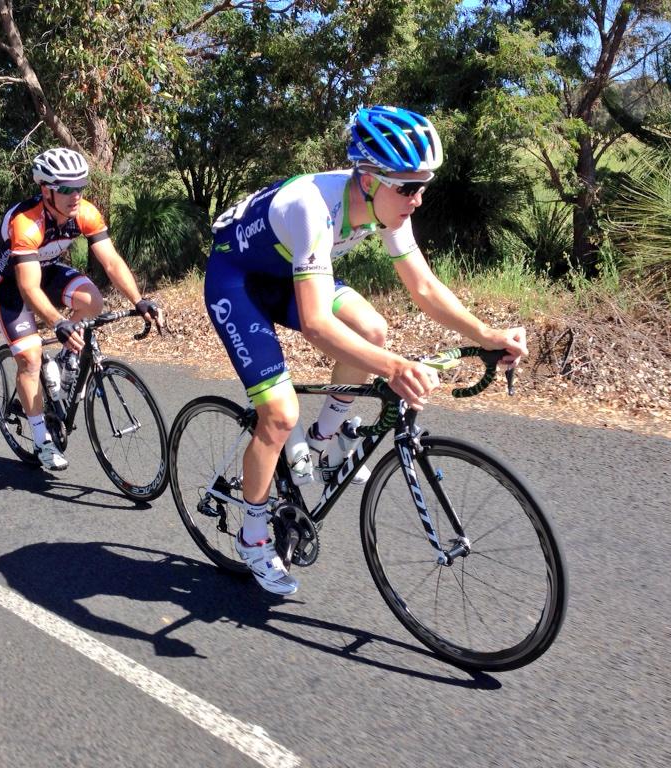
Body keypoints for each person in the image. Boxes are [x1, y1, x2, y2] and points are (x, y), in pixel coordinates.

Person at [204, 105, 529, 595]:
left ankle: (322, 443)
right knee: (279, 414)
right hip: (238, 281)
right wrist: (396, 368)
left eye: (424, 185)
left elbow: (423, 287)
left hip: (290, 274)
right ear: (370, 179)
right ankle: (252, 537)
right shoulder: (313, 207)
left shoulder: (388, 206)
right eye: (409, 187)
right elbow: (316, 324)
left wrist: (487, 334)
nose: (419, 199)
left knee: (373, 330)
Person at [0, 147, 160, 471]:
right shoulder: (26, 223)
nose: (75, 195)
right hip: (7, 281)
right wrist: (57, 322)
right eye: (66, 188)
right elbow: (28, 288)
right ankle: (42, 440)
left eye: (80, 186)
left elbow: (111, 262)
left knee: (93, 301)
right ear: (46, 190)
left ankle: (66, 357)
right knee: (29, 358)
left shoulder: (84, 213)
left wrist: (139, 300)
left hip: (46, 267)